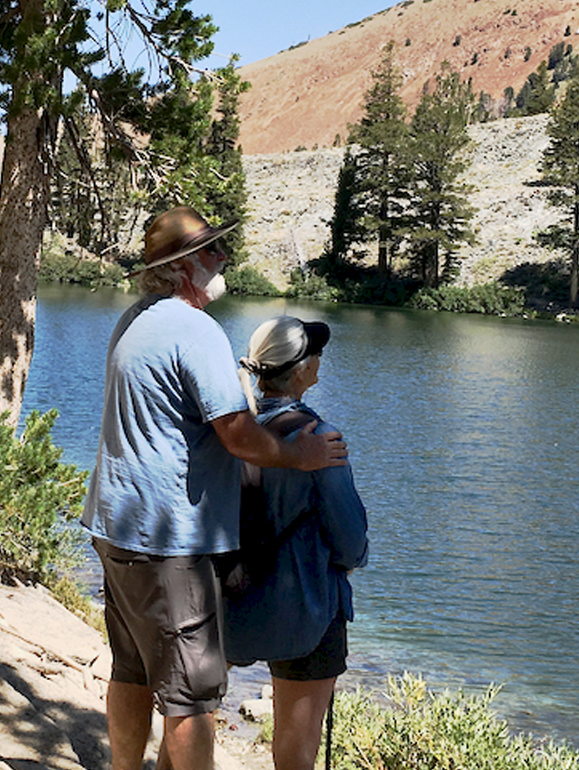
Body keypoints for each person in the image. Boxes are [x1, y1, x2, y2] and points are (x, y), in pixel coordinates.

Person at [82, 206, 349, 770]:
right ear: (181, 268)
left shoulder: (134, 319)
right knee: (192, 696)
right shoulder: (194, 328)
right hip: (168, 540)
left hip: (114, 525)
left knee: (130, 669)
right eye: (210, 251)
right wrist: (299, 454)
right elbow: (239, 434)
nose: (223, 258)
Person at [226, 316, 369, 770]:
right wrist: (351, 559)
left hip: (231, 604)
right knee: (295, 751)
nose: (321, 358)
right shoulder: (320, 439)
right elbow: (351, 542)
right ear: (304, 369)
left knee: (192, 714)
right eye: (316, 352)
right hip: (306, 613)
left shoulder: (232, 430)